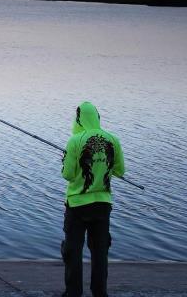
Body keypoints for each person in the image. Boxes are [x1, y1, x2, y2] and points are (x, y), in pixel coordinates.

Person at [60, 101, 125, 297]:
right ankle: (100, 292)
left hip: (77, 205)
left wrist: (65, 160)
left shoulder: (74, 141)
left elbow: (68, 175)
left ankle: (73, 293)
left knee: (73, 252)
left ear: (78, 118)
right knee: (100, 252)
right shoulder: (113, 139)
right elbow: (120, 171)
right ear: (97, 117)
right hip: (103, 205)